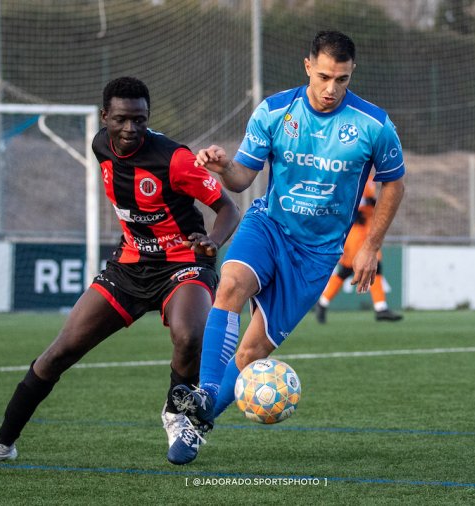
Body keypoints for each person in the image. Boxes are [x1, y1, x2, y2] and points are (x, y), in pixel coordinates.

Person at [0, 77, 240, 466]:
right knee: (57, 354)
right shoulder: (99, 145)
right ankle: (2, 443)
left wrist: (212, 240)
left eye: (139, 120)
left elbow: (228, 208)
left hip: (184, 262)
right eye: (121, 119)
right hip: (129, 267)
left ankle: (176, 413)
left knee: (189, 335)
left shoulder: (175, 159)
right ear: (105, 117)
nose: (130, 129)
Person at [167, 30, 406, 465]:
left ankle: (199, 423)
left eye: (343, 80)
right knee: (230, 287)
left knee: (252, 352)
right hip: (269, 225)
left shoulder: (374, 124)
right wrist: (224, 167)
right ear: (307, 66)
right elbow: (242, 178)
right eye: (325, 77)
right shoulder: (276, 111)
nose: (332, 89)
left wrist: (371, 245)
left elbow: (395, 183)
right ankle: (204, 393)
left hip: (317, 254)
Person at [315, 174, 403, 324]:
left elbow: (365, 199)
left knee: (354, 269)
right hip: (354, 230)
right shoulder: (353, 171)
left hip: (366, 228)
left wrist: (371, 204)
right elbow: (341, 198)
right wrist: (356, 212)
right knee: (352, 268)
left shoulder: (369, 176)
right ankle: (380, 307)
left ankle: (323, 303)